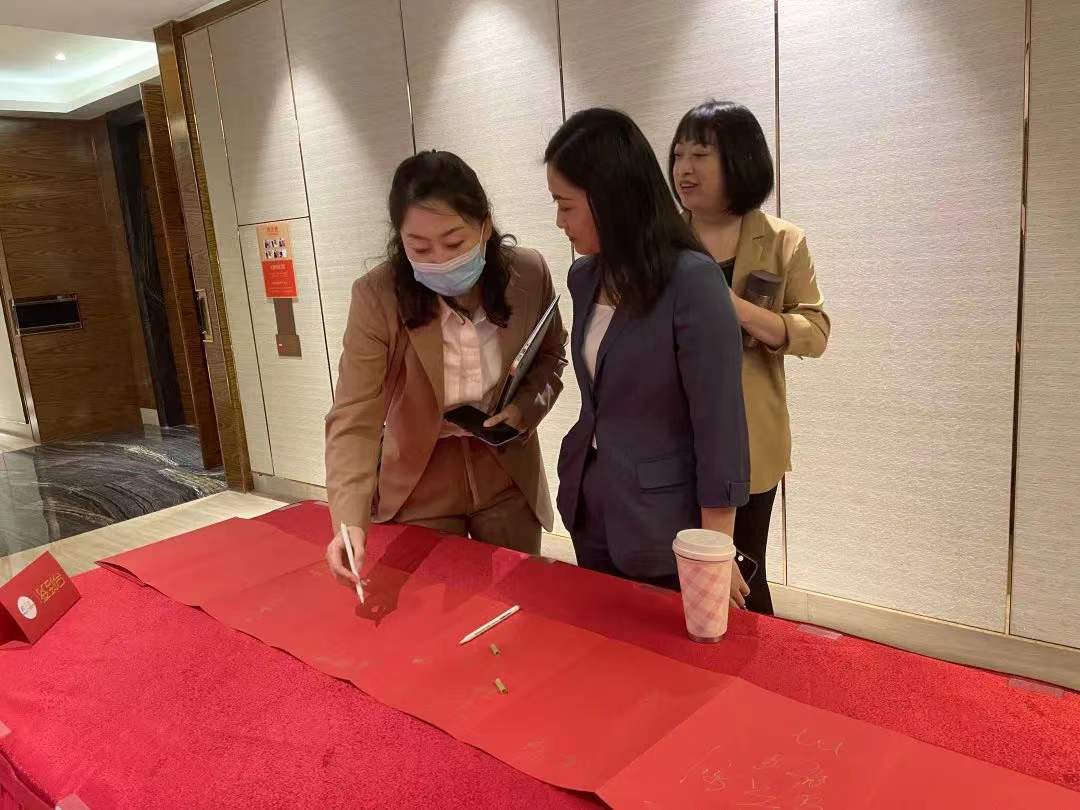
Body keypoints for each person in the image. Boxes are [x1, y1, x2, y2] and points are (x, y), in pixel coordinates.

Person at [325, 150, 567, 587]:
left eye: (454, 243)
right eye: (419, 247)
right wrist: (349, 521)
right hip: (419, 479)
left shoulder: (528, 274)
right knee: (431, 604)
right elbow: (354, 416)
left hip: (506, 471)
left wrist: (524, 411)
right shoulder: (378, 296)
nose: (438, 259)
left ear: (485, 226)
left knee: (516, 598)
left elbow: (551, 357)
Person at [545, 108, 751, 606]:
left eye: (566, 206)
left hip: (664, 522)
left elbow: (719, 425)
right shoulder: (584, 278)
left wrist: (715, 548)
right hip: (591, 503)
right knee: (599, 641)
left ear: (610, 198)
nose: (559, 222)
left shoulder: (692, 281)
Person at [670, 100, 830, 614]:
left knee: (741, 573)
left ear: (739, 160)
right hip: (671, 434)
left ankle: (752, 659)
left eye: (701, 155)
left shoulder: (783, 241)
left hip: (751, 437)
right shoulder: (660, 240)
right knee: (675, 574)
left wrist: (736, 309)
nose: (684, 168)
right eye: (678, 154)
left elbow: (815, 331)